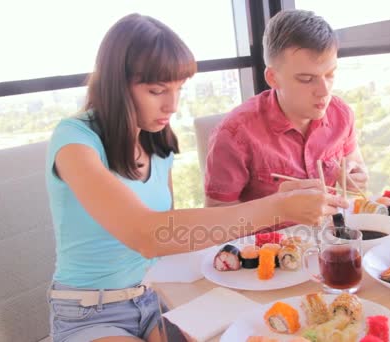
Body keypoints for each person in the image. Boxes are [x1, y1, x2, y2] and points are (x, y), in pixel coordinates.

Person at [45, 13, 347, 342]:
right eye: (157, 90)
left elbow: (173, 238)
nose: (172, 104)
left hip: (153, 299)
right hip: (91, 312)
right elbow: (148, 235)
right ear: (116, 84)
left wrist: (277, 201)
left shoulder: (156, 144)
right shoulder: (74, 141)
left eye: (178, 89)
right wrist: (277, 208)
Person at [204, 10, 368, 208]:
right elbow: (217, 217)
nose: (324, 91)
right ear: (273, 78)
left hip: (332, 234)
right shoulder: (235, 133)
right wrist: (277, 208)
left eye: (330, 74)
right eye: (306, 79)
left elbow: (356, 172)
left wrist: (355, 179)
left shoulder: (341, 115)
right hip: (269, 238)